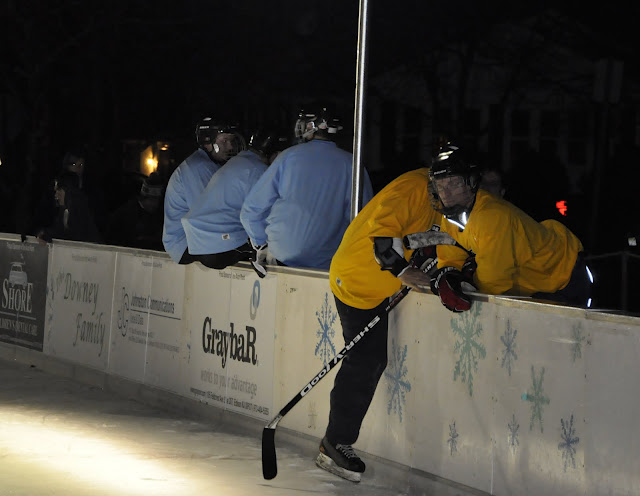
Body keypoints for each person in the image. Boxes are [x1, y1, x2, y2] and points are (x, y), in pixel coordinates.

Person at [316, 167, 443, 482]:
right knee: (365, 360)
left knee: (370, 359)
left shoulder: (445, 201)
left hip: (377, 286)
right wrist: (403, 271)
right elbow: (384, 235)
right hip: (356, 281)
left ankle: (335, 439)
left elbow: (421, 238)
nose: (454, 190)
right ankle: (335, 442)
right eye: (448, 182)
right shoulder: (413, 188)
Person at [428, 144, 592, 313]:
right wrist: (449, 277)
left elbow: (494, 282)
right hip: (534, 284)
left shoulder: (492, 216)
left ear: (471, 182)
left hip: (564, 274)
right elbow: (450, 259)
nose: (445, 193)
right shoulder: (451, 215)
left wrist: (465, 287)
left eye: (453, 183)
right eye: (440, 186)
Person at [240, 105, 373, 269]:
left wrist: (261, 245)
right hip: (327, 261)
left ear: (311, 126)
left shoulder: (288, 157)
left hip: (282, 254)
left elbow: (251, 210)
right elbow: (363, 220)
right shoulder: (353, 164)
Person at [181, 128, 290, 270]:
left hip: (199, 242)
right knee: (278, 252)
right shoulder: (260, 171)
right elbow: (261, 215)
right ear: (274, 153)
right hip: (220, 246)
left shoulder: (238, 162)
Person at [162, 117, 245, 264]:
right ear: (208, 142)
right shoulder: (198, 167)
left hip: (194, 239)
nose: (230, 147)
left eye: (231, 141)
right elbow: (212, 213)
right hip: (184, 243)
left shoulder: (210, 165)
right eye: (224, 141)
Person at [36, 170, 103, 244]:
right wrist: (45, 234)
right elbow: (59, 231)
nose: (56, 195)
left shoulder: (81, 209)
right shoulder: (64, 212)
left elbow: (74, 235)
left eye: (59, 190)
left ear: (68, 190)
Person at [105, 172, 165, 250]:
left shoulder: (160, 216)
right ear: (144, 197)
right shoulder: (126, 213)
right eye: (152, 199)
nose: (155, 204)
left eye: (157, 200)